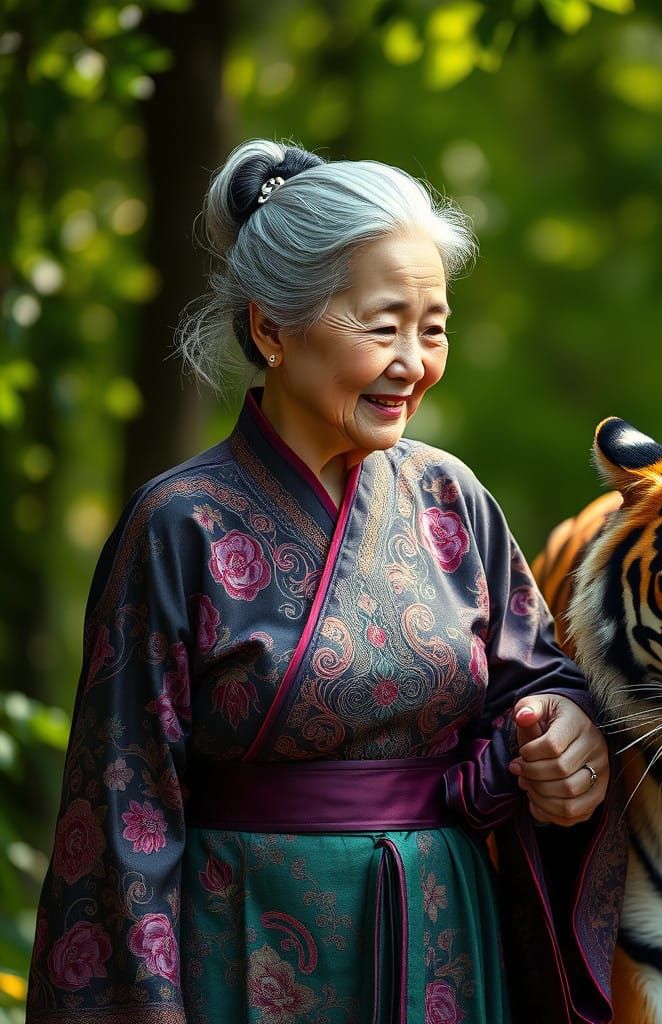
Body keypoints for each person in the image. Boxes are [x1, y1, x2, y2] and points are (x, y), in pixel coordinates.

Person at [25, 140, 625, 1024]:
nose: (414, 362)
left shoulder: (448, 497)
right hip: (245, 946)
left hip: (445, 947)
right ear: (272, 328)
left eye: (435, 327)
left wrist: (567, 732)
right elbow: (123, 816)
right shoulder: (180, 523)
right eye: (383, 326)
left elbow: (535, 678)